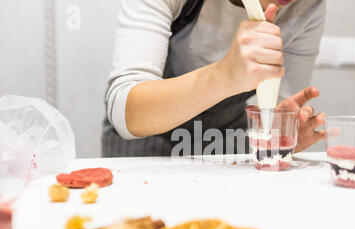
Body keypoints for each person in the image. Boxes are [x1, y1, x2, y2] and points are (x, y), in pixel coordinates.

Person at [103, 0, 327, 157]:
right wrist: (225, 76)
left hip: (225, 139)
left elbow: (279, 111)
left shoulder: (309, 6)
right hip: (145, 143)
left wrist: (281, 135)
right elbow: (127, 113)